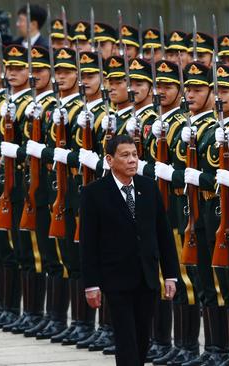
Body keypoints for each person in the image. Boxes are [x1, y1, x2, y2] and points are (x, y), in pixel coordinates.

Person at [80, 134, 180, 365]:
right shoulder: (94, 193)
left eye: (135, 155)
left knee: (142, 338)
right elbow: (88, 243)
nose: (132, 160)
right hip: (116, 278)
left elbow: (163, 234)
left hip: (147, 276)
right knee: (126, 339)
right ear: (109, 159)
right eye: (125, 155)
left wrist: (170, 275)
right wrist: (91, 285)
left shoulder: (148, 187)